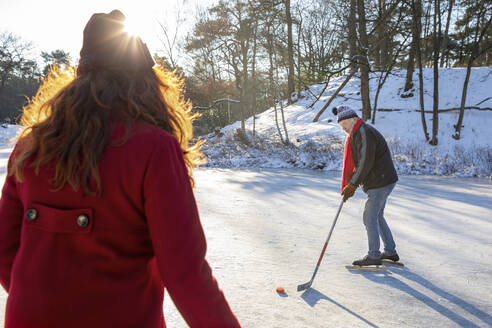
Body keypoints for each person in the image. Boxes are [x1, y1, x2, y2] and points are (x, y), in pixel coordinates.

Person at [0, 10, 240, 327]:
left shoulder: (31, 147)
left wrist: (39, 298)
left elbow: (4, 249)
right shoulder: (154, 149)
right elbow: (185, 273)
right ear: (146, 82)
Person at [333, 106, 399, 266]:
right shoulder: (356, 133)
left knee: (369, 217)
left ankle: (374, 255)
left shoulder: (364, 132)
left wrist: (353, 184)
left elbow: (365, 161)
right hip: (383, 179)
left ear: (353, 120)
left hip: (380, 181)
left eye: (345, 125)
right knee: (377, 215)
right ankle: (390, 252)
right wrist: (351, 182)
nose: (344, 129)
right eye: (341, 127)